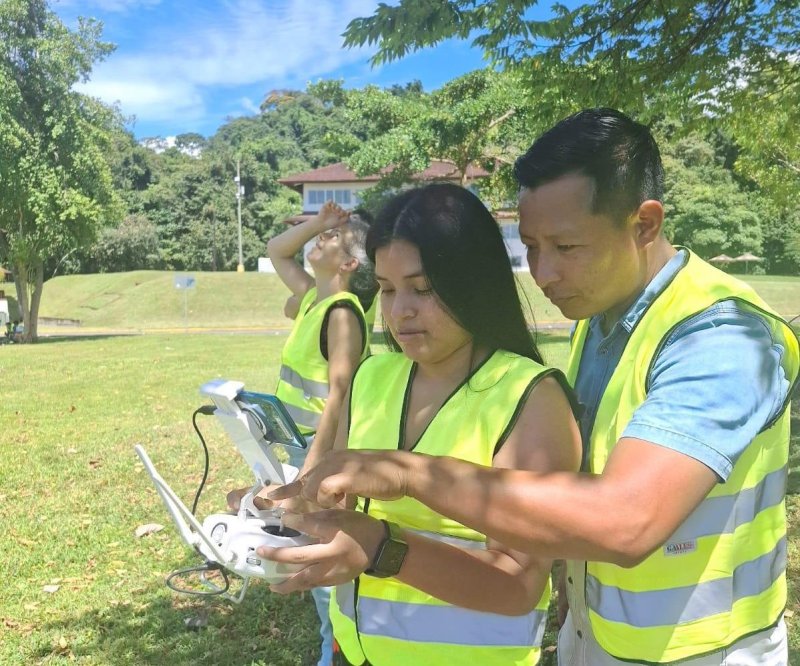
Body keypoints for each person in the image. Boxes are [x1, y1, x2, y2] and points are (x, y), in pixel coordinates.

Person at [270, 109, 800, 665]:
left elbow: (627, 520)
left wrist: (407, 474)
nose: (543, 274)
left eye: (566, 248)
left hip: (702, 651)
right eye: (531, 247)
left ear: (644, 224)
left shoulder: (721, 337)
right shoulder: (602, 321)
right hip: (599, 637)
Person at [260, 183, 581, 665]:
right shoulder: (372, 376)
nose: (398, 311)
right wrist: (276, 512)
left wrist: (381, 550)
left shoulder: (529, 396)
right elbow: (333, 503)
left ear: (473, 282)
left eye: (423, 288)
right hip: (355, 652)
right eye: (387, 289)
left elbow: (519, 584)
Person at [230, 200, 377, 666]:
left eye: (332, 239)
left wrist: (308, 477)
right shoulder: (314, 298)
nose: (319, 240)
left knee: (325, 579)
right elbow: (277, 250)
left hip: (319, 453)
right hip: (296, 449)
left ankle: (336, 656)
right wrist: (320, 222)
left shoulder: (341, 313)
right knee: (313, 571)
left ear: (350, 264)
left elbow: (339, 396)